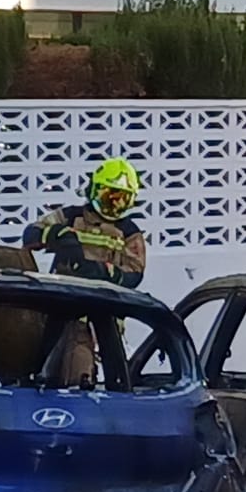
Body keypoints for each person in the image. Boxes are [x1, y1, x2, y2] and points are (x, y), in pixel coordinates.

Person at [22, 158, 148, 385]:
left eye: (122, 200)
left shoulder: (129, 231)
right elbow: (31, 234)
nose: (115, 206)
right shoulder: (71, 216)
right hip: (59, 309)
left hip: (103, 318)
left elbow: (134, 272)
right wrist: (55, 235)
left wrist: (102, 272)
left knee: (84, 374)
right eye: (111, 197)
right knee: (40, 367)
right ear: (94, 191)